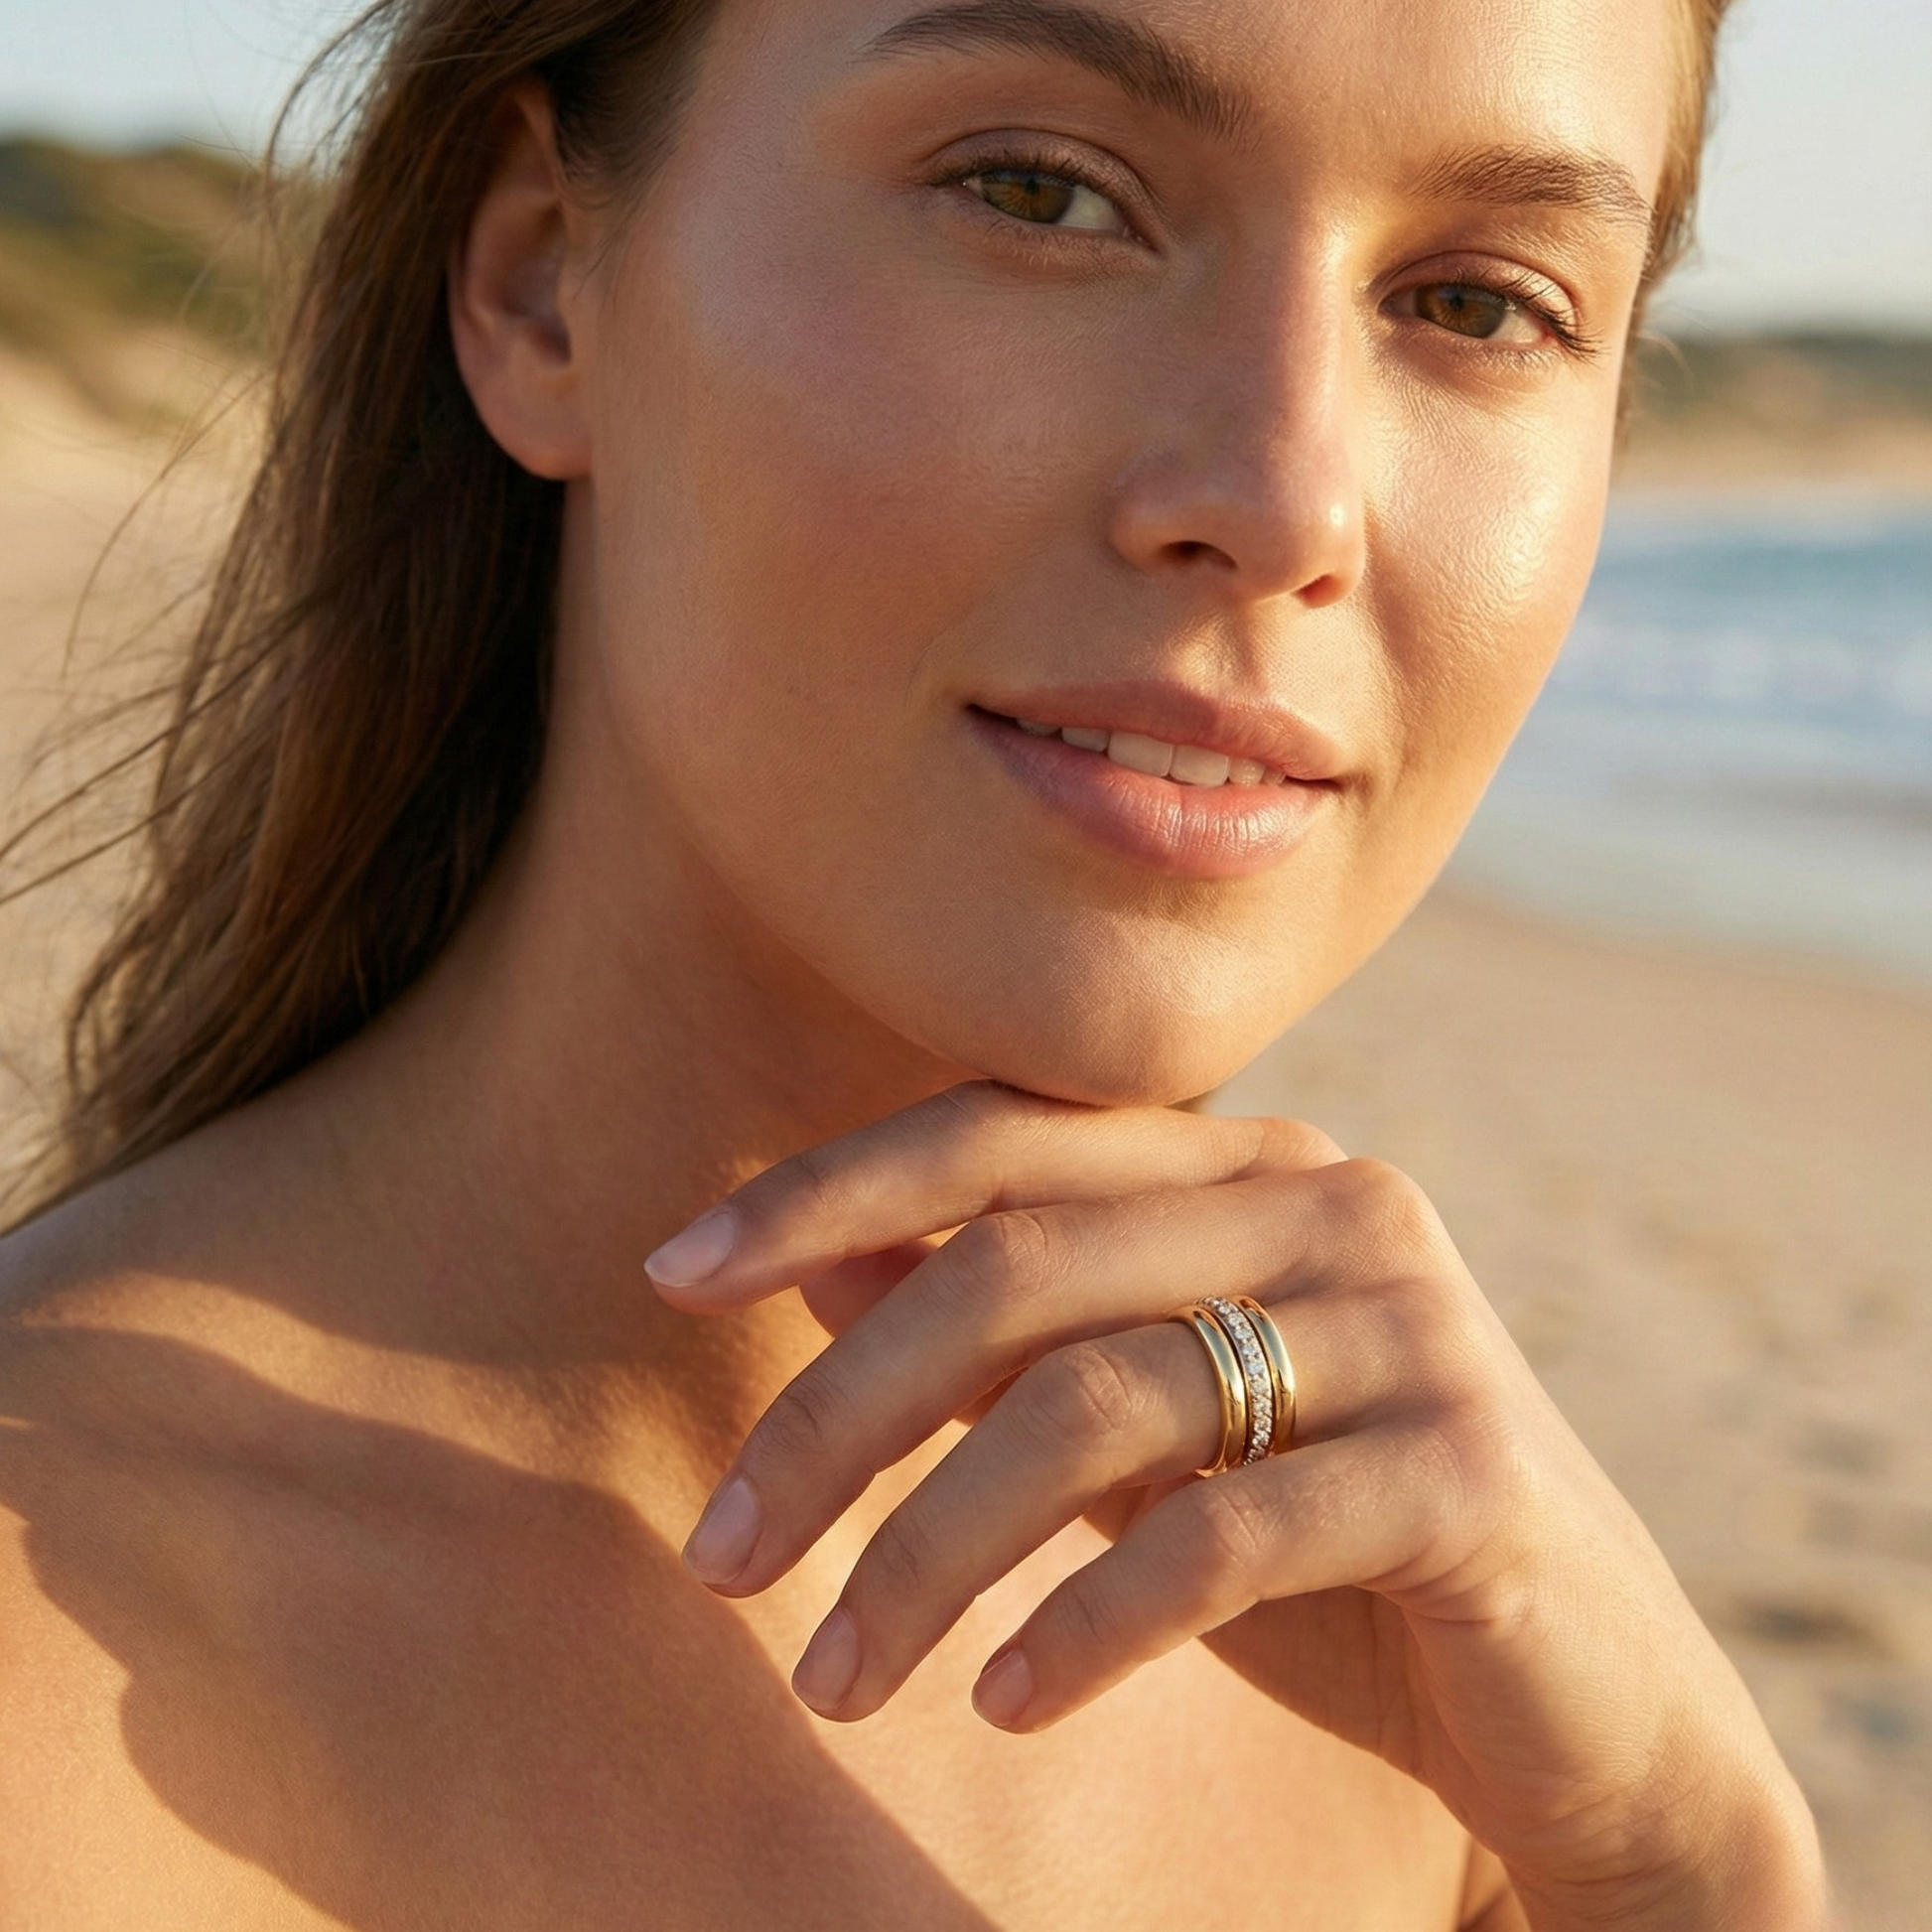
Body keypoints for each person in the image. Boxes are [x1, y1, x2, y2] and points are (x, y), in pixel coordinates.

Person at [0, 0, 1829, 1924]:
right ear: (543, 285)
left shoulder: (1438, 1701)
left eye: (1477, 306)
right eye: (1040, 195)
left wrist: (1691, 1866)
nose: (1288, 501)